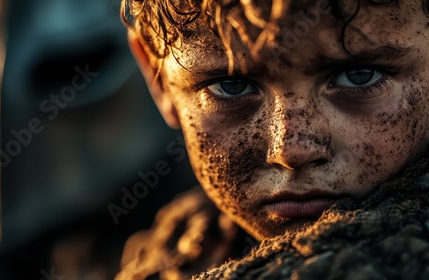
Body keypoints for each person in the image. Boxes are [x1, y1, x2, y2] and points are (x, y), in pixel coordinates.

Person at [117, 0, 429, 279]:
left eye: (359, 75)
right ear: (157, 81)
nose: (291, 150)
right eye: (231, 86)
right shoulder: (173, 254)